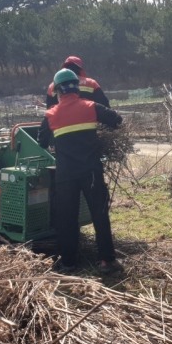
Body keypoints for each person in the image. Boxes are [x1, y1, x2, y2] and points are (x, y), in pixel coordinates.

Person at [38, 68, 123, 274]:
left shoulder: (50, 115)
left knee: (67, 218)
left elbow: (41, 141)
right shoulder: (91, 107)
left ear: (58, 91)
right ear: (77, 88)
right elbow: (117, 120)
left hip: (65, 175)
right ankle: (106, 261)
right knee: (99, 214)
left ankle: (68, 263)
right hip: (91, 172)